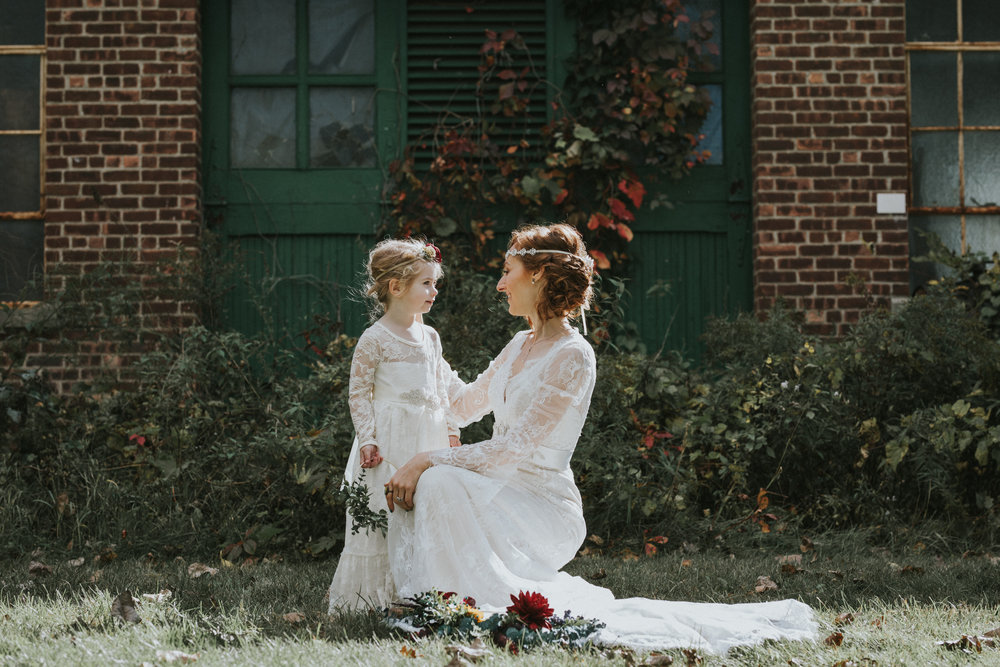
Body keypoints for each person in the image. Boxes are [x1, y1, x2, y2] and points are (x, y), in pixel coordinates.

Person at [382, 223, 818, 653]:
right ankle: (443, 604)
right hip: (498, 488)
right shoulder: (518, 344)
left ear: (538, 274)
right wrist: (422, 342)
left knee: (437, 478)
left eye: (507, 270)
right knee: (439, 479)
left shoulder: (573, 354)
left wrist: (426, 459)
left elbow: (513, 450)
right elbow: (462, 405)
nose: (500, 285)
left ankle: (457, 606)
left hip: (543, 506)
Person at [327, 238, 461, 611]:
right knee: (383, 511)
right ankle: (373, 598)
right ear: (396, 288)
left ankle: (422, 592)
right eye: (426, 284)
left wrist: (451, 431)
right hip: (389, 439)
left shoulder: (430, 336)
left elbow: (441, 388)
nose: (434, 291)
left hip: (427, 435)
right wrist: (367, 438)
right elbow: (359, 393)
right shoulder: (375, 339)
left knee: (423, 507)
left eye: (435, 283)